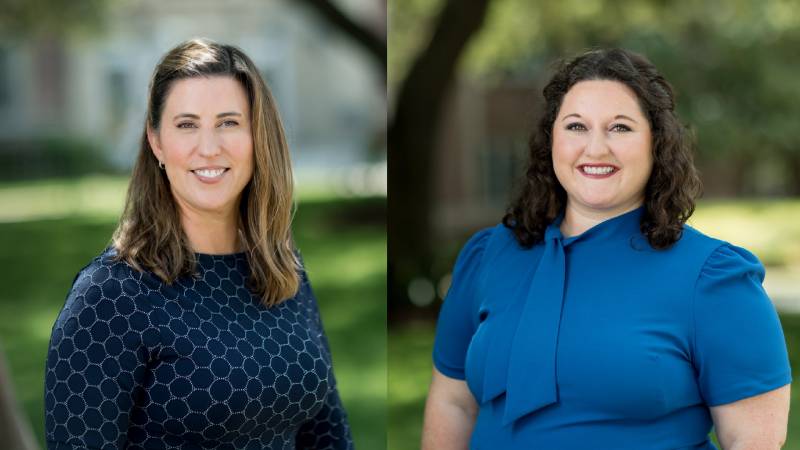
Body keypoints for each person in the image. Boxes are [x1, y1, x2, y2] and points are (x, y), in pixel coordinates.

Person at [422, 48, 791, 449]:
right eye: (576, 126)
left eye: (620, 128)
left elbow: (752, 441)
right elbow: (453, 402)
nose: (596, 149)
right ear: (552, 141)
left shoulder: (715, 279)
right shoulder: (488, 256)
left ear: (657, 143)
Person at [44, 38, 353, 449]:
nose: (209, 148)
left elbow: (327, 435)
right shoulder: (109, 297)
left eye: (229, 122)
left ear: (258, 137)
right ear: (156, 142)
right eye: (187, 124)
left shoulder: (283, 269)